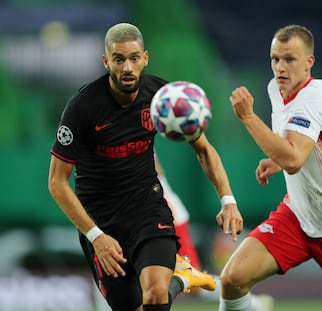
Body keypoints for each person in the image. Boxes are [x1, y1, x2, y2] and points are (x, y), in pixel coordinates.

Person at [48, 22, 243, 311]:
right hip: (102, 220)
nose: (127, 67)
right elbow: (57, 183)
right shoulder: (82, 108)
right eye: (119, 59)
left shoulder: (163, 98)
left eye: (134, 58)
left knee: (155, 294)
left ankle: (172, 280)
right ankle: (182, 278)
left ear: (145, 58)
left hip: (147, 207)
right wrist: (96, 236)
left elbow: (204, 150)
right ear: (106, 61)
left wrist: (228, 200)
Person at [217, 24, 322, 311]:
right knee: (233, 279)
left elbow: (295, 161)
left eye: (289, 59)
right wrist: (276, 159)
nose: (280, 68)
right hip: (297, 216)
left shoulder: (315, 97)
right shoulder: (277, 89)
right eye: (275, 59)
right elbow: (298, 145)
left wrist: (248, 117)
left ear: (309, 62)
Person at [154, 154, 274, 311]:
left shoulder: (134, 135)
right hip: (130, 221)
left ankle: (254, 305)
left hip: (164, 218)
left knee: (191, 281)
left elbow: (156, 172)